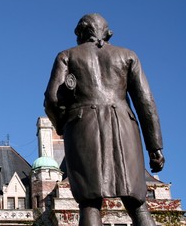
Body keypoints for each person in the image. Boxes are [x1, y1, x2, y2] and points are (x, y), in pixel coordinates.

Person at [44, 13, 165, 226]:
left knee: (89, 203)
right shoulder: (128, 55)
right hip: (124, 126)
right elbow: (146, 102)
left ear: (81, 34)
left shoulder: (67, 56)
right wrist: (154, 147)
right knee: (137, 202)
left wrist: (62, 125)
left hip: (82, 127)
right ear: (108, 34)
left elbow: (52, 99)